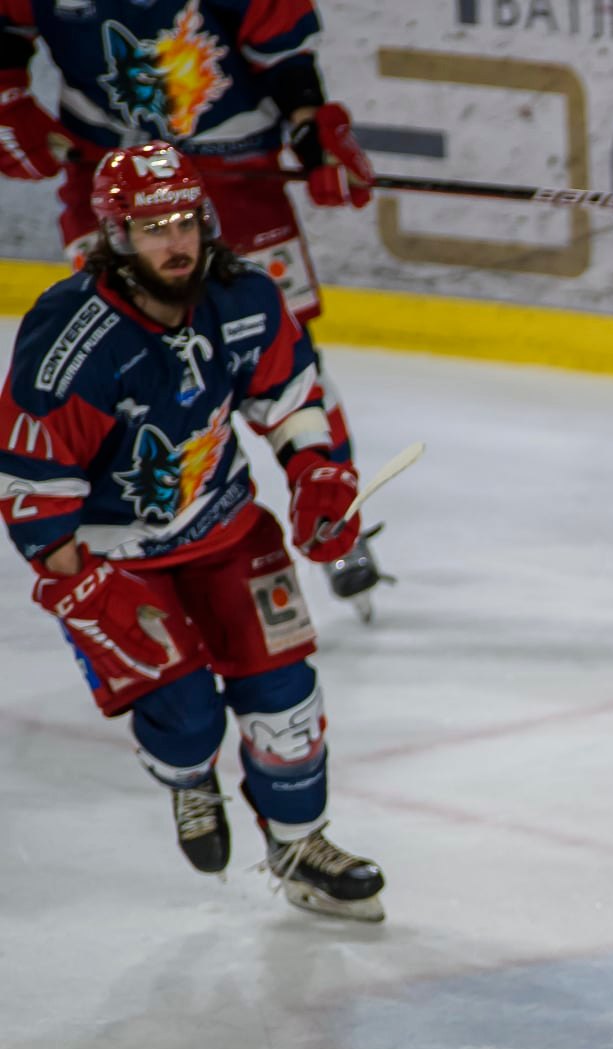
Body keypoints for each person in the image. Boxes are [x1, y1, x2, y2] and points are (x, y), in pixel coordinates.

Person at [0, 143, 386, 921]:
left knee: (286, 697)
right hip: (117, 559)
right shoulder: (71, 343)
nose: (175, 243)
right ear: (115, 238)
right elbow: (33, 490)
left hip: (227, 526)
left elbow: (288, 396)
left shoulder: (243, 296)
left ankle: (301, 845)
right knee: (186, 716)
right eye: (151, 229)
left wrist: (317, 474)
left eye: (184, 221)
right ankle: (188, 778)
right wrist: (77, 585)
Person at [0, 0, 393, 615]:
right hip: (109, 178)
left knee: (281, 349)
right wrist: (7, 98)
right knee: (127, 345)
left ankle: (330, 508)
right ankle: (149, 542)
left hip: (229, 170)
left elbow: (280, 42)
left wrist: (310, 126)